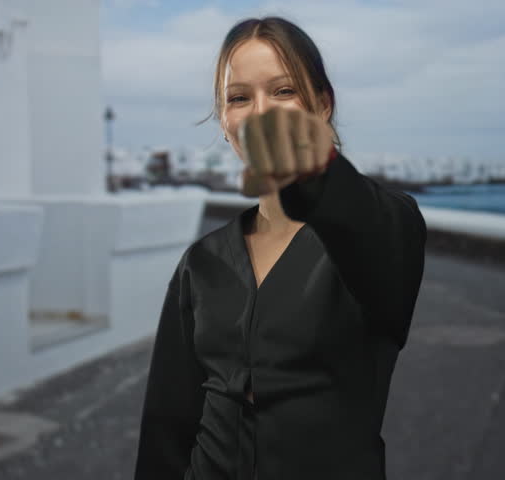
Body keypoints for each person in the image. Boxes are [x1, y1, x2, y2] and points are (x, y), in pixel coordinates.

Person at [134, 16, 426, 480]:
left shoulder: (389, 227)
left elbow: (362, 221)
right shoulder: (201, 262)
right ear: (224, 122)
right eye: (239, 98)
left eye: (284, 91)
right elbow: (166, 427)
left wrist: (313, 168)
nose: (261, 112)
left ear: (322, 105)